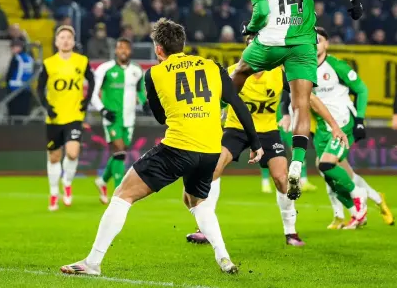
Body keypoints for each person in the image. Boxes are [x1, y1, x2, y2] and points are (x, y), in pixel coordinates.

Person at [61, 18, 263, 276]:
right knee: (197, 201)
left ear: (158, 49)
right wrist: (255, 143)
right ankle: (223, 257)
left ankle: (92, 262)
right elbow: (236, 102)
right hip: (211, 149)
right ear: (183, 44)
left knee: (123, 194)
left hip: (179, 147)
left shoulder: (153, 74)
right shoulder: (212, 66)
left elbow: (160, 118)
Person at [232, 0, 363, 200]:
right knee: (302, 103)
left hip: (271, 40)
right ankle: (297, 163)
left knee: (241, 71)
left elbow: (263, 11)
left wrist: (249, 27)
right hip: (304, 41)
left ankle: (218, 112)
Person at [186, 36, 347, 247]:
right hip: (237, 129)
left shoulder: (278, 73)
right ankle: (204, 229)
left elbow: (310, 98)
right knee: (214, 168)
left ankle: (291, 232)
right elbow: (216, 102)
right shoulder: (234, 72)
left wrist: (334, 125)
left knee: (282, 178)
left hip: (268, 132)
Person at [314, 27, 394, 228]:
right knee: (335, 173)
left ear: (326, 44)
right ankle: (373, 201)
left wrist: (359, 120)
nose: (315, 43)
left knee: (327, 165)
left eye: (319, 40)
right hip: (323, 128)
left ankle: (358, 201)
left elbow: (362, 89)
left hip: (343, 123)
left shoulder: (335, 66)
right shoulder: (303, 69)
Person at [37, 25, 95, 210]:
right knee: (54, 157)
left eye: (69, 37)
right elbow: (39, 88)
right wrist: (47, 107)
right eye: (62, 37)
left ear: (73, 41)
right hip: (54, 118)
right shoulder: (49, 64)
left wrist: (86, 101)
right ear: (56, 42)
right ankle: (54, 193)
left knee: (72, 152)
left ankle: (67, 183)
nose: (65, 40)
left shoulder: (81, 61)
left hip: (74, 115)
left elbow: (92, 80)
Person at [91, 37, 150, 204]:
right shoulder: (105, 69)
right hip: (112, 116)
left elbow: (139, 91)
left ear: (130, 51)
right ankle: (119, 193)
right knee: (118, 150)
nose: (123, 51)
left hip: (129, 118)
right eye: (120, 48)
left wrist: (144, 103)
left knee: (121, 153)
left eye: (126, 48)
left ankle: (102, 181)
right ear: (115, 50)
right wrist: (103, 110)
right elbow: (94, 94)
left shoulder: (137, 70)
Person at [6, 39, 34, 118]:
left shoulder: (16, 58)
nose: (12, 49)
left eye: (13, 47)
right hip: (26, 89)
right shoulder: (29, 58)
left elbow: (10, 73)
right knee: (23, 115)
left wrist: (7, 83)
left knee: (13, 115)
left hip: (14, 89)